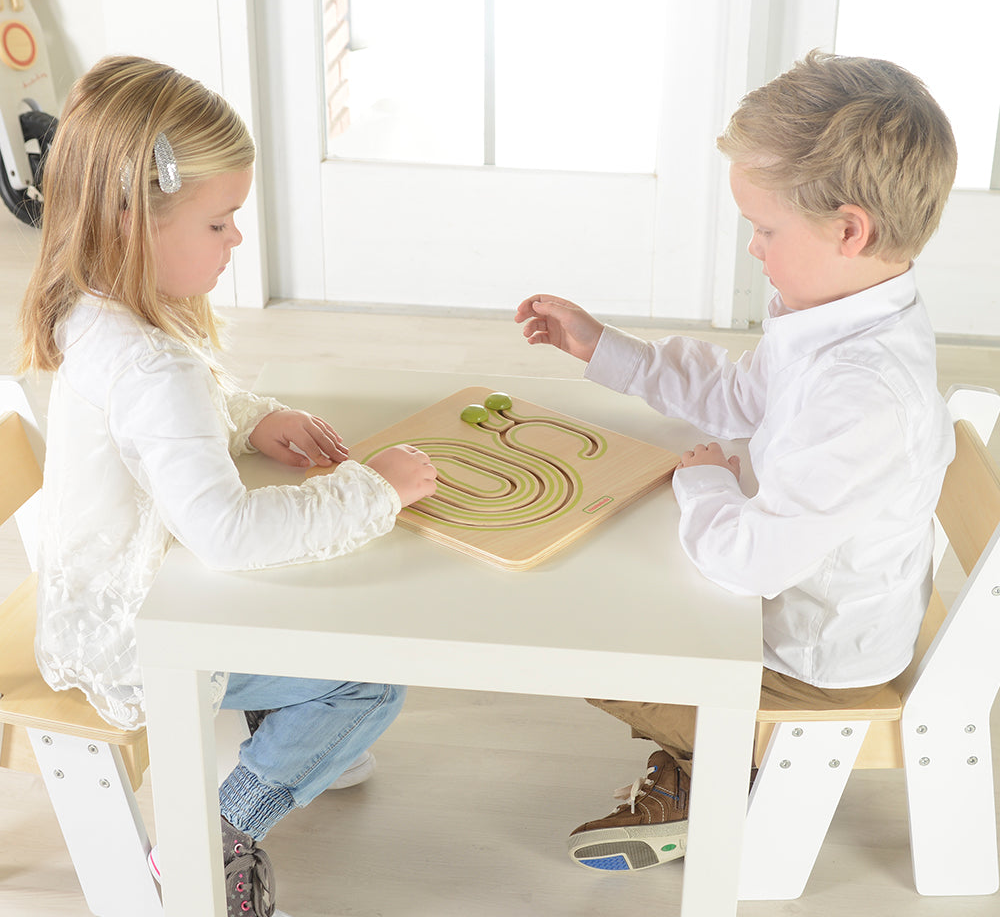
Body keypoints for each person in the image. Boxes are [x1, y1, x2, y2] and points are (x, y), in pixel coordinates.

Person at [515, 51, 958, 874]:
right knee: (614, 565)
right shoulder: (845, 316)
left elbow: (747, 559)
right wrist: (606, 349)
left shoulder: (861, 392)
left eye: (765, 228)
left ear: (848, 229)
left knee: (563, 638)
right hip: (791, 600)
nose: (754, 250)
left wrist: (705, 479)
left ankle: (720, 773)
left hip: (807, 666)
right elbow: (740, 395)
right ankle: (710, 775)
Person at [18, 55, 438, 917]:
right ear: (135, 219)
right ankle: (214, 831)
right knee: (372, 678)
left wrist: (251, 420)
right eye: (221, 223)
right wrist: (377, 491)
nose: (236, 241)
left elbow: (183, 401)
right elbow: (230, 535)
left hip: (103, 593)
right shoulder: (144, 359)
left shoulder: (99, 305)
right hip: (137, 636)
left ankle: (275, 734)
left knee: (334, 615)